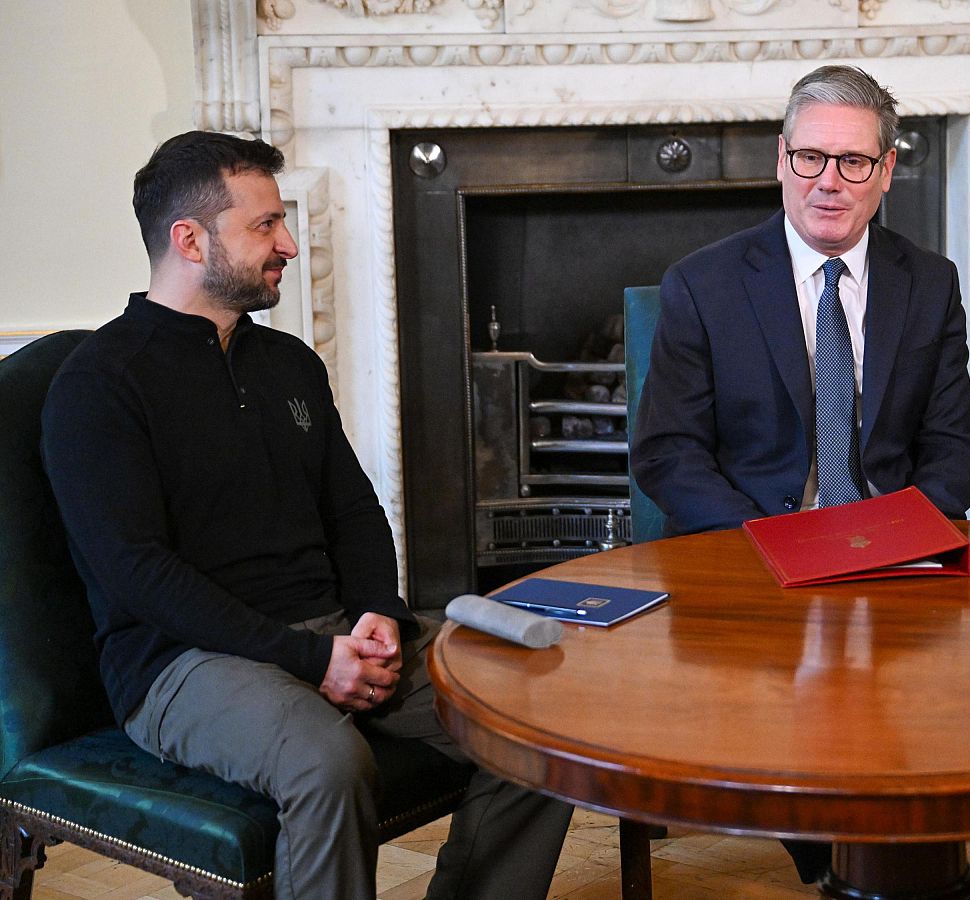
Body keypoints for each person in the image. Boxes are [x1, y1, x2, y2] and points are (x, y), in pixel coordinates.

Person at [40, 131, 573, 900]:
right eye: (265, 225)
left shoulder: (288, 363)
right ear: (189, 240)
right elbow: (138, 575)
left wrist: (378, 611)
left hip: (330, 629)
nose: (288, 244)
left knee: (538, 718)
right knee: (326, 763)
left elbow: (352, 510)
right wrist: (310, 660)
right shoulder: (99, 384)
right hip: (181, 662)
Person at [630, 64, 970, 539]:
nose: (829, 182)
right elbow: (669, 453)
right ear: (782, 158)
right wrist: (772, 540)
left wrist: (899, 535)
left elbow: (952, 449)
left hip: (891, 541)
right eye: (810, 157)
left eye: (853, 161)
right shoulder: (701, 285)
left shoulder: (931, 283)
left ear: (886, 170)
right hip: (747, 545)